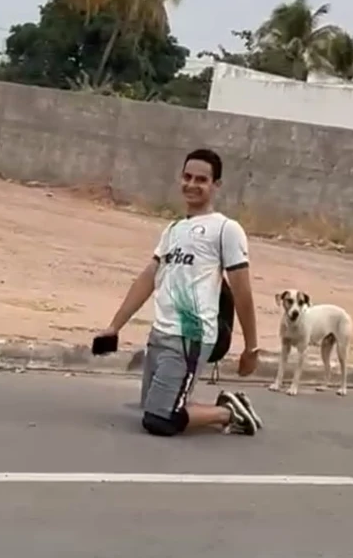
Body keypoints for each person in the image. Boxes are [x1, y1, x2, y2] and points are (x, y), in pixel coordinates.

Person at [95, 148, 263, 436]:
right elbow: (148, 278)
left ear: (216, 185)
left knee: (159, 420)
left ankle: (228, 413)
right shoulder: (173, 230)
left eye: (202, 179)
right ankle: (213, 405)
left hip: (191, 336)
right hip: (160, 334)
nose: (192, 184)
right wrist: (114, 326)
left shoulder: (226, 229)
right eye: (187, 177)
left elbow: (242, 290)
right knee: (150, 404)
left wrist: (251, 347)